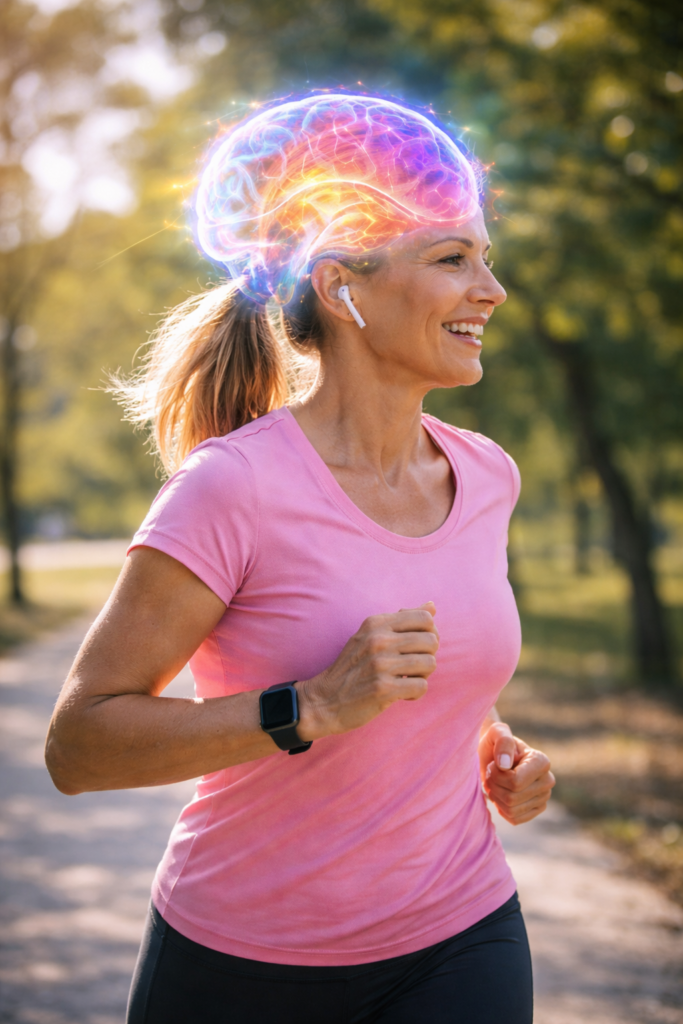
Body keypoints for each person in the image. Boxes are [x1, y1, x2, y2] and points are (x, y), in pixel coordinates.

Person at [45, 94, 555, 1024]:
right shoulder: (230, 487)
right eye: (453, 259)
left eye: (486, 257)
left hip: (461, 930)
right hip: (246, 959)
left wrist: (493, 746)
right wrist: (310, 706)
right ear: (341, 286)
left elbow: (443, 668)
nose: (492, 289)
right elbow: (79, 745)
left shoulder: (487, 477)